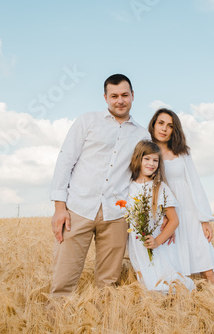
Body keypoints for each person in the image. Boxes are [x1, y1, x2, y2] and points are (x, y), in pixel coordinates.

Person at [49, 74, 150, 297]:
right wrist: (59, 208)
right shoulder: (87, 121)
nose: (120, 100)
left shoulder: (143, 134)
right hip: (78, 209)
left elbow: (145, 174)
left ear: (133, 96)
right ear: (105, 97)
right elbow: (65, 161)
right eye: (114, 96)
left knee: (108, 285)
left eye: (125, 95)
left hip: (116, 214)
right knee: (63, 281)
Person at [148, 108, 214, 283]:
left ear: (175, 130)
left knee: (206, 264)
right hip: (165, 213)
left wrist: (204, 218)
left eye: (170, 126)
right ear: (153, 125)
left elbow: (195, 184)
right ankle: (184, 305)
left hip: (188, 211)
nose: (164, 129)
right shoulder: (147, 153)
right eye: (161, 123)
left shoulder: (182, 152)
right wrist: (162, 214)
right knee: (174, 262)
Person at [125, 140, 194, 292]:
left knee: (164, 283)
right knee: (146, 283)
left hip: (156, 244)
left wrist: (157, 241)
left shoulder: (160, 188)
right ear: (138, 159)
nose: (151, 163)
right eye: (147, 159)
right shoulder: (128, 187)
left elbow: (174, 220)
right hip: (138, 246)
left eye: (155, 160)